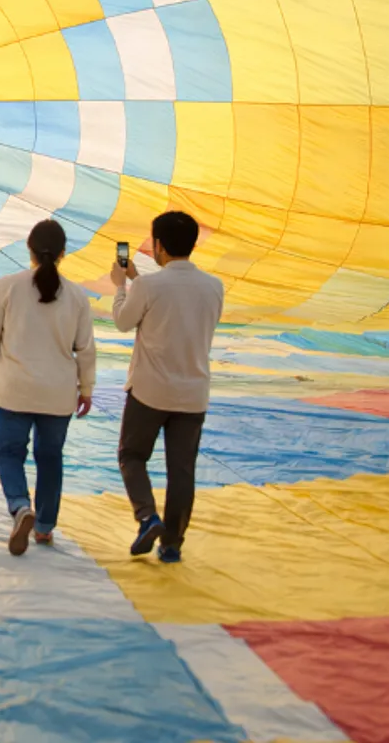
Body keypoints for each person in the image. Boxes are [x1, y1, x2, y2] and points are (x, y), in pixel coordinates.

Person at [0, 219, 95, 555]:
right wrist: (86, 389)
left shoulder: (7, 286)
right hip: (58, 393)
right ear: (63, 253)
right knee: (50, 457)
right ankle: (43, 528)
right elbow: (85, 348)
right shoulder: (78, 297)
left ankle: (20, 505)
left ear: (29, 249)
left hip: (14, 389)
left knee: (9, 454)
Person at [111, 210, 224, 564]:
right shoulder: (214, 286)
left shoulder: (147, 285)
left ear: (158, 245)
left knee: (132, 456)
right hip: (193, 393)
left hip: (150, 390)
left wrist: (121, 285)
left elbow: (123, 321)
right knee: (182, 470)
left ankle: (147, 516)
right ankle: (172, 543)